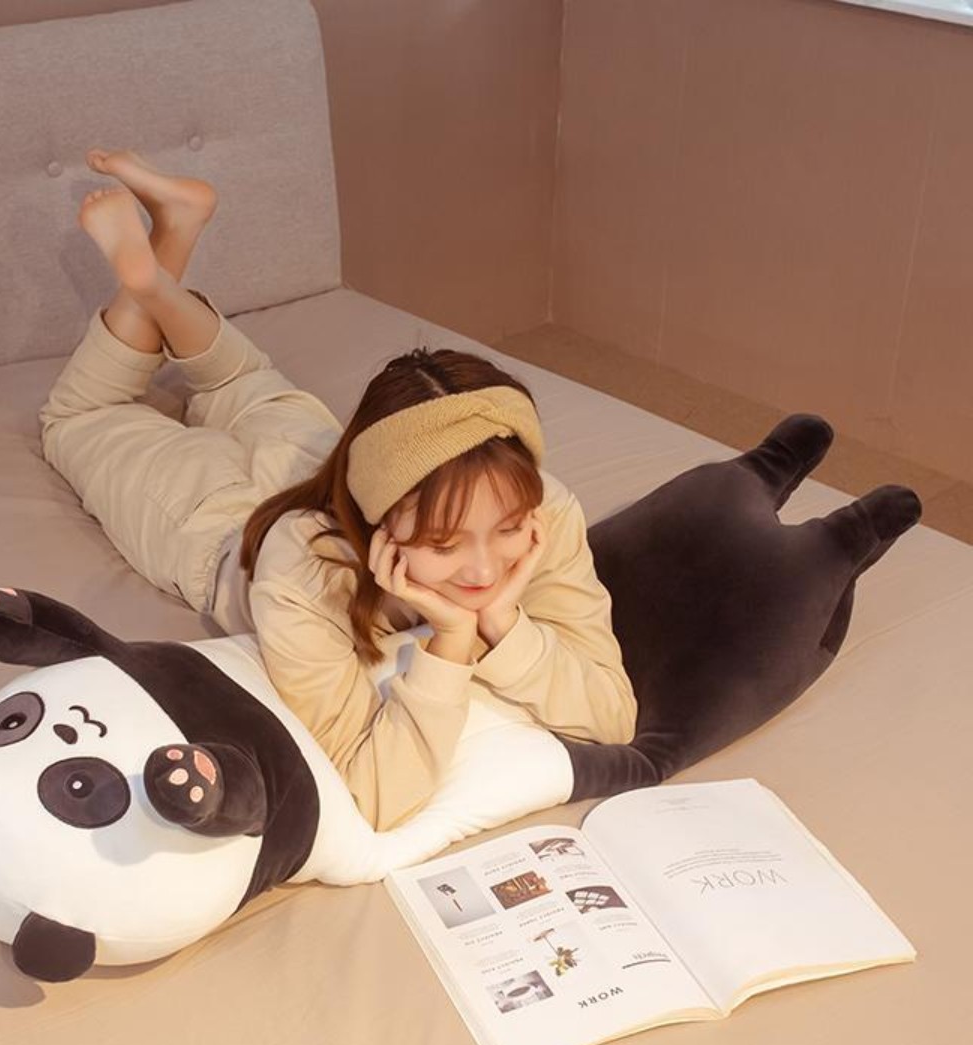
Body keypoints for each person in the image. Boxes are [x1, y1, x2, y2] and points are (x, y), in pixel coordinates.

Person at [40, 151, 637, 832]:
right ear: (385, 513)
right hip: (217, 524)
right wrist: (450, 646)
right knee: (77, 419)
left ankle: (168, 246)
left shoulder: (541, 510)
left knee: (241, 381)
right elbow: (375, 794)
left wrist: (497, 623)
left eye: (503, 528)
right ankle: (154, 272)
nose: (483, 569)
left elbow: (612, 716)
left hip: (314, 454)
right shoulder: (304, 571)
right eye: (444, 542)